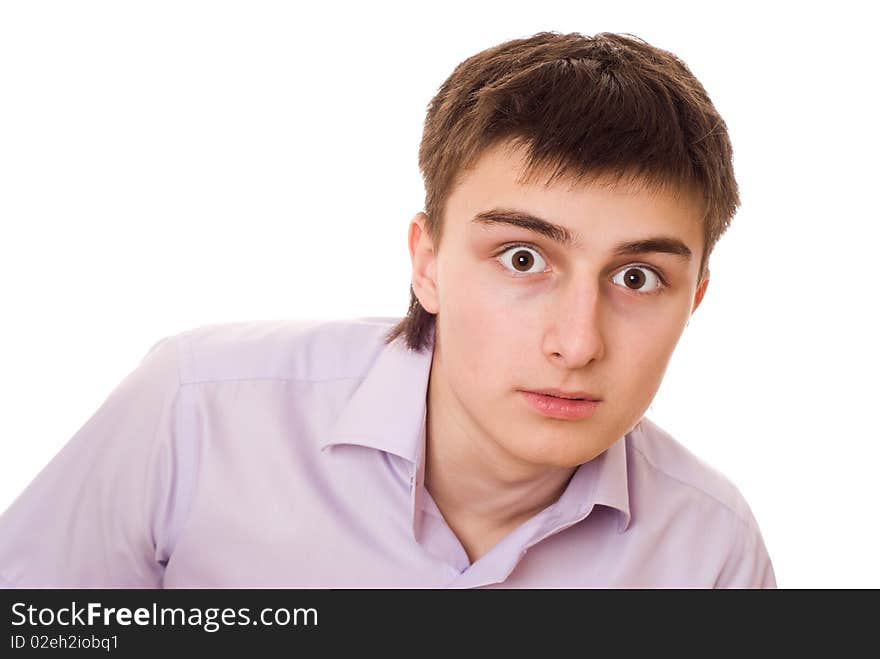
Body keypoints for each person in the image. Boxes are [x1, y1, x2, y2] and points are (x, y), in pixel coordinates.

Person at [0, 31, 775, 588]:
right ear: (427, 263)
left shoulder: (711, 553)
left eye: (637, 278)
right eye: (524, 258)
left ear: (694, 298)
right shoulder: (195, 415)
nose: (576, 343)